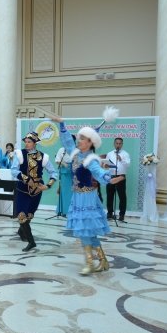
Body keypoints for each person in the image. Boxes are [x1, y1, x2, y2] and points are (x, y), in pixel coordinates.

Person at [50, 115, 124, 275]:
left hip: (88, 198)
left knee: (85, 231)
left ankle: (90, 263)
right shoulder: (75, 153)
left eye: (82, 138)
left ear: (90, 142)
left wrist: (109, 179)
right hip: (77, 196)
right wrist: (62, 123)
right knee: (87, 231)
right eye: (79, 137)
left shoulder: (91, 159)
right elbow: (67, 141)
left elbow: (98, 172)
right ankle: (103, 261)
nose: (78, 140)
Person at [10, 132, 58, 252]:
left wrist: (48, 185)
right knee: (22, 215)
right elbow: (14, 170)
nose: (26, 144)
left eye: (29, 142)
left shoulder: (44, 157)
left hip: (37, 190)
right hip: (22, 189)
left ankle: (22, 231)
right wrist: (26, 179)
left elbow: (53, 172)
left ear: (35, 143)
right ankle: (31, 242)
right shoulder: (20, 154)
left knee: (29, 215)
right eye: (25, 142)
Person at [105, 137, 131, 221]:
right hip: (111, 177)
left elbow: (128, 165)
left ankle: (121, 215)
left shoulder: (125, 154)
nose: (118, 145)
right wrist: (106, 165)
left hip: (121, 177)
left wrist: (121, 159)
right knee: (110, 196)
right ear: (114, 144)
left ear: (122, 144)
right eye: (117, 143)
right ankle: (110, 213)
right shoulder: (110, 153)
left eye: (120, 143)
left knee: (122, 196)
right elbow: (107, 164)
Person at [54, 135, 75, 217]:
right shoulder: (62, 149)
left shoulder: (76, 150)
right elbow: (57, 160)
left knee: (72, 192)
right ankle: (63, 210)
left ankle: (71, 211)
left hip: (74, 172)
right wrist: (63, 164)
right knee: (64, 192)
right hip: (64, 172)